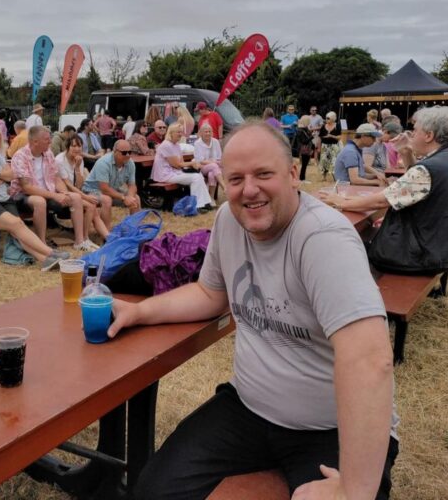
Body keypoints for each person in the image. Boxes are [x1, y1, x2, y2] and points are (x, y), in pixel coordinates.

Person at [111, 122, 398, 500]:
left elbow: (369, 360)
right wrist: (138, 313)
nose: (249, 190)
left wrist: (355, 490)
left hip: (329, 428)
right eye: (236, 179)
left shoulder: (323, 238)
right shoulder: (229, 221)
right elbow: (210, 293)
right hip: (248, 409)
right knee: (153, 491)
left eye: (264, 174)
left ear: (293, 174)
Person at [321, 106, 448, 276]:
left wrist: (341, 202)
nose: (410, 135)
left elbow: (382, 200)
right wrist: (406, 153)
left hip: (419, 255)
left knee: (344, 243)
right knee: (365, 237)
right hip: (443, 248)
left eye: (414, 131)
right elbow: (419, 185)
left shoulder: (430, 169)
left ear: (429, 135)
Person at [0, 121, 67, 271]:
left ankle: (45, 260)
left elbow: (11, 175)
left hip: (2, 198)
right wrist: (1, 177)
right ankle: (51, 253)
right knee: (16, 224)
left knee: (18, 226)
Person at [10, 126, 100, 252]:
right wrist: (55, 195)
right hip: (23, 195)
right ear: (35, 141)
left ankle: (80, 241)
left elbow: (56, 178)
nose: (50, 141)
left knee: (75, 197)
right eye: (47, 139)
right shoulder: (20, 156)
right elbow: (26, 187)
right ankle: (41, 244)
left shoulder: (48, 154)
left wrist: (64, 193)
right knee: (39, 201)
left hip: (47, 193)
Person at [55, 135, 111, 240]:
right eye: (73, 146)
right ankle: (85, 237)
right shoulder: (59, 160)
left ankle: (107, 237)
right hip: (63, 193)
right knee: (91, 206)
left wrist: (77, 167)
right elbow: (68, 185)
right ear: (67, 147)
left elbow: (79, 185)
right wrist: (85, 197)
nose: (77, 149)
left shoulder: (79, 159)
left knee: (96, 208)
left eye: (79, 146)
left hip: (76, 192)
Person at [151, 123, 213, 212]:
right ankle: (197, 205)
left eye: (181, 132)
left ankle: (205, 203)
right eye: (178, 132)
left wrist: (192, 164)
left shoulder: (176, 145)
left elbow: (182, 162)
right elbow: (177, 164)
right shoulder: (166, 145)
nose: (180, 134)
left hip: (175, 172)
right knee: (195, 177)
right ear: (171, 133)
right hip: (166, 175)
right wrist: (192, 163)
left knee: (198, 175)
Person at [83, 139, 141, 214]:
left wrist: (130, 197)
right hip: (91, 190)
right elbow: (104, 189)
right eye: (124, 153)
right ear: (115, 152)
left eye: (129, 152)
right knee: (107, 200)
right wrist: (124, 198)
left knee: (136, 198)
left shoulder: (130, 163)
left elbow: (132, 185)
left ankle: (134, 222)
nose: (127, 155)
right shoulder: (104, 163)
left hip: (112, 189)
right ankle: (105, 223)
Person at [193, 123, 225, 199]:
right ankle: (224, 186)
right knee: (214, 166)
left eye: (209, 131)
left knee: (211, 174)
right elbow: (200, 160)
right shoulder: (197, 143)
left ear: (212, 132)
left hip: (216, 167)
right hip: (203, 167)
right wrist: (214, 162)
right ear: (201, 133)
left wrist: (215, 162)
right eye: (206, 132)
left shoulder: (216, 142)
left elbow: (219, 157)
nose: (208, 133)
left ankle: (211, 198)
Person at [319, 111, 342, 181]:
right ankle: (324, 177)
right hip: (324, 146)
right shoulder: (323, 126)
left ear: (332, 119)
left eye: (328, 118)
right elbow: (320, 137)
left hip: (334, 146)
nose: (326, 119)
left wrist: (331, 136)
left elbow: (339, 137)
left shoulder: (337, 125)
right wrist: (319, 147)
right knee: (324, 161)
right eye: (326, 118)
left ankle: (335, 177)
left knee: (334, 161)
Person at [295, 115, 314, 182]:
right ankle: (302, 178)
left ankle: (302, 178)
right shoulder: (300, 130)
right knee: (304, 164)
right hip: (304, 149)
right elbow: (304, 141)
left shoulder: (304, 129)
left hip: (306, 149)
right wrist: (312, 136)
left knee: (305, 164)